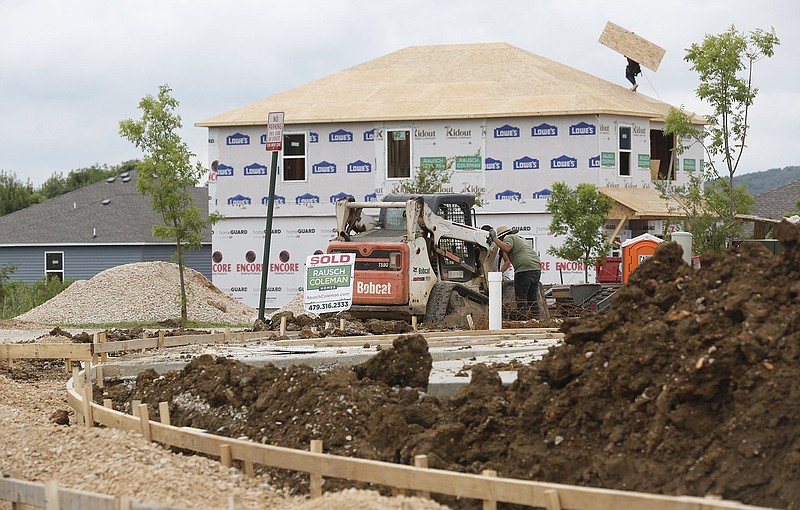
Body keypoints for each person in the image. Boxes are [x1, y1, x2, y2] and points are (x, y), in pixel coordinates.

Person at [490, 225, 542, 319]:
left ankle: (523, 320)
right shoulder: (520, 239)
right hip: (536, 268)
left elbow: (507, 248)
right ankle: (536, 319)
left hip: (524, 269)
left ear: (501, 237)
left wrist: (494, 239)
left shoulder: (508, 237)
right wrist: (499, 272)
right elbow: (507, 261)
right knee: (532, 298)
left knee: (520, 297)